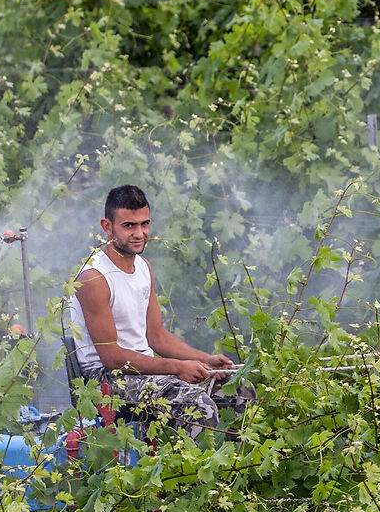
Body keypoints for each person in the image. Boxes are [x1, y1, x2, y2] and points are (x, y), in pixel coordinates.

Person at [68, 185, 252, 435]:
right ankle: (185, 471)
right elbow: (110, 357)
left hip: (144, 370)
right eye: (129, 225)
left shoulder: (144, 267)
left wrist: (204, 359)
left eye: (145, 224)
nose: (139, 233)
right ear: (107, 226)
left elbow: (157, 336)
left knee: (240, 390)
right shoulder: (94, 277)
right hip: (106, 379)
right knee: (195, 405)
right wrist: (177, 367)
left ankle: (228, 469)